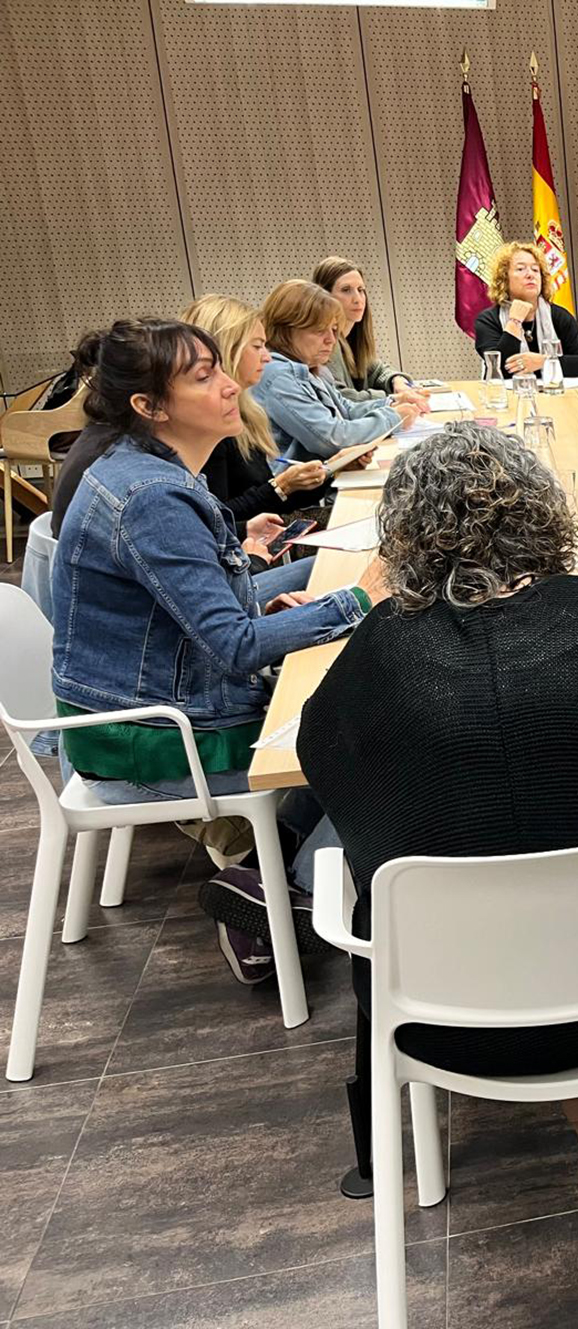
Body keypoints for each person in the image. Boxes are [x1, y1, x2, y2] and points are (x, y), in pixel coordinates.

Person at [298, 424, 578, 1213]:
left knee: (491, 857)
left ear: (403, 538)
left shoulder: (380, 653)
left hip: (448, 1017)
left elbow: (329, 773)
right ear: (544, 513)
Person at [49, 319, 378, 982]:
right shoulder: (153, 496)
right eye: (205, 376)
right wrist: (357, 600)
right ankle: (298, 898)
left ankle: (259, 877)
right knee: (378, 737)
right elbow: (233, 646)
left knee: (348, 706)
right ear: (149, 406)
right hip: (150, 737)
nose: (231, 385)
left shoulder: (147, 468)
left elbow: (201, 612)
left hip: (140, 709)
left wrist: (270, 606)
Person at [182, 295, 331, 533]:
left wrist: (330, 472)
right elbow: (218, 520)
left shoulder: (247, 412)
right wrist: (281, 486)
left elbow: (269, 502)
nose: (267, 356)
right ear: (228, 351)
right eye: (257, 346)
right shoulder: (208, 426)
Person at [256, 280, 419, 463]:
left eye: (334, 330)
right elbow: (331, 439)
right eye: (320, 330)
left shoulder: (311, 368)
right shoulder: (278, 375)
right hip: (301, 481)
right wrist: (393, 417)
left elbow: (346, 409)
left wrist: (391, 403)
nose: (331, 340)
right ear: (285, 330)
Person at [471, 240, 578, 379]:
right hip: (509, 393)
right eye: (520, 269)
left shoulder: (559, 316)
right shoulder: (488, 320)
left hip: (554, 391)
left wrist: (544, 362)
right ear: (504, 278)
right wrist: (514, 322)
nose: (530, 275)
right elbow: (498, 370)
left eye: (535, 270)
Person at [311, 256, 426, 403]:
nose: (358, 299)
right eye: (346, 290)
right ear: (324, 296)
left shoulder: (352, 337)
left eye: (361, 290)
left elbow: (377, 370)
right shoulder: (325, 342)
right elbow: (340, 398)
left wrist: (397, 381)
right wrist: (392, 398)